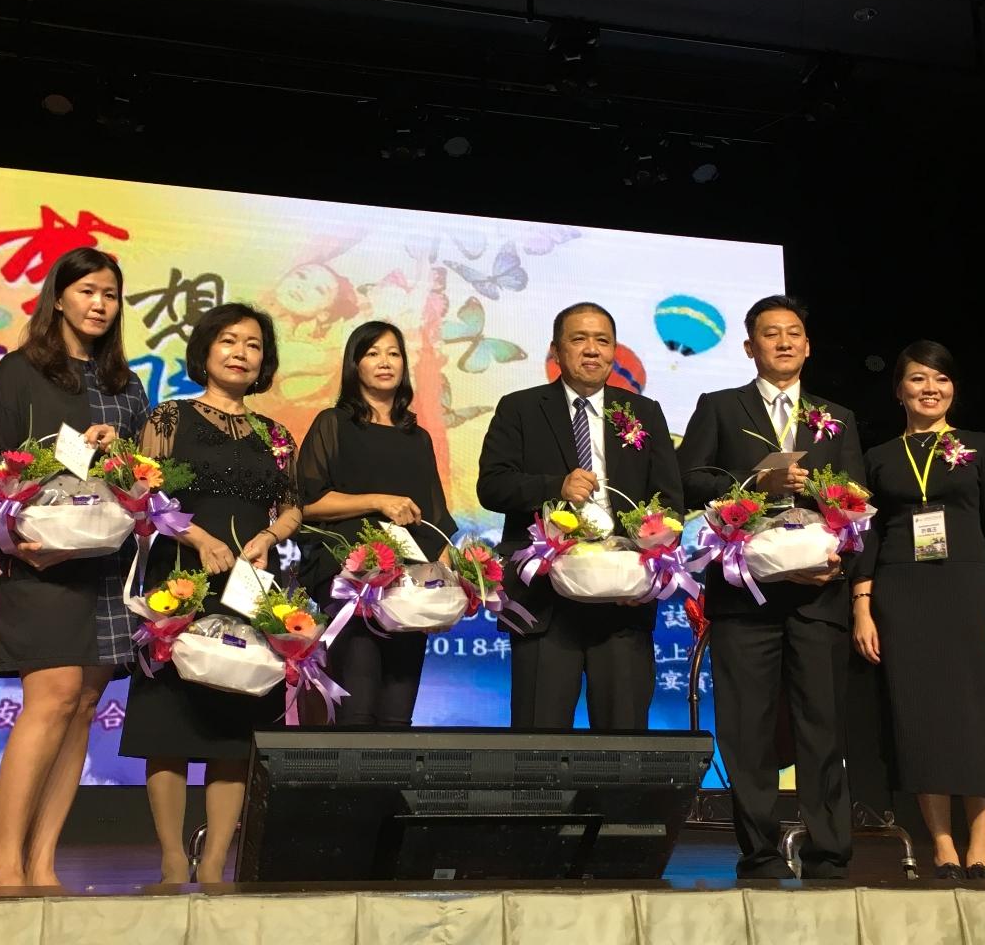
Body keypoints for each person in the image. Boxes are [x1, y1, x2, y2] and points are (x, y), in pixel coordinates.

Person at [0, 247, 149, 887]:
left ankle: (43, 861)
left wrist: (122, 454)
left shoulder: (127, 385)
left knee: (82, 704)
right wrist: (60, 460)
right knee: (48, 700)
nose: (100, 304)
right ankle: (4, 863)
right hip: (40, 555)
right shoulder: (21, 371)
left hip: (107, 560)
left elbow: (142, 477)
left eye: (111, 294)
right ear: (60, 296)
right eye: (88, 291)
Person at [676, 294, 863, 879]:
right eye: (770, 334)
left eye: (793, 333)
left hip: (817, 592)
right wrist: (759, 478)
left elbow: (856, 497)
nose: (783, 342)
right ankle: (757, 850)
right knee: (747, 726)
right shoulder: (720, 406)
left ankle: (829, 849)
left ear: (807, 345)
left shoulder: (837, 415)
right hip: (743, 595)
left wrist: (838, 559)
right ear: (749, 346)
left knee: (821, 724)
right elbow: (690, 480)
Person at [118, 303, 301, 884]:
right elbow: (141, 491)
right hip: (181, 579)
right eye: (229, 340)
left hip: (248, 587)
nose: (241, 352)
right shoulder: (168, 417)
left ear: (263, 361)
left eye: (252, 345)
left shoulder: (274, 435)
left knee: (236, 724)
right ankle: (174, 861)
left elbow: (293, 504)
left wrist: (270, 535)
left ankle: (217, 863)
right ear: (206, 349)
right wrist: (196, 537)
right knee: (167, 723)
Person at [852, 340, 985, 880]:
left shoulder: (979, 447)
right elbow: (867, 536)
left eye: (941, 379)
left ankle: (981, 845)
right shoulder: (879, 457)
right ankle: (943, 845)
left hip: (966, 593)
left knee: (974, 715)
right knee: (919, 718)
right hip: (901, 596)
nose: (930, 389)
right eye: (918, 380)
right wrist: (863, 606)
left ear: (952, 388)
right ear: (899, 391)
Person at [476, 302, 683, 730]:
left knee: (624, 740)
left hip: (623, 599)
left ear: (614, 351)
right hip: (544, 601)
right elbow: (492, 486)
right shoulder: (520, 408)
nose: (592, 350)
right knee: (539, 740)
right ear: (556, 350)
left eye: (602, 341)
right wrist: (555, 487)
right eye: (579, 339)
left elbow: (669, 501)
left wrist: (648, 567)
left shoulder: (644, 413)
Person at [296, 320, 457, 726]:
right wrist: (376, 502)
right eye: (372, 353)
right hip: (354, 582)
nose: (385, 362)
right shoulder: (333, 423)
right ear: (355, 364)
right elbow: (307, 503)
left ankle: (386, 791)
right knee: (357, 710)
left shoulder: (416, 436)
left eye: (393, 353)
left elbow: (435, 519)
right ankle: (346, 790)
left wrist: (453, 579)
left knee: (397, 717)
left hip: (409, 591)